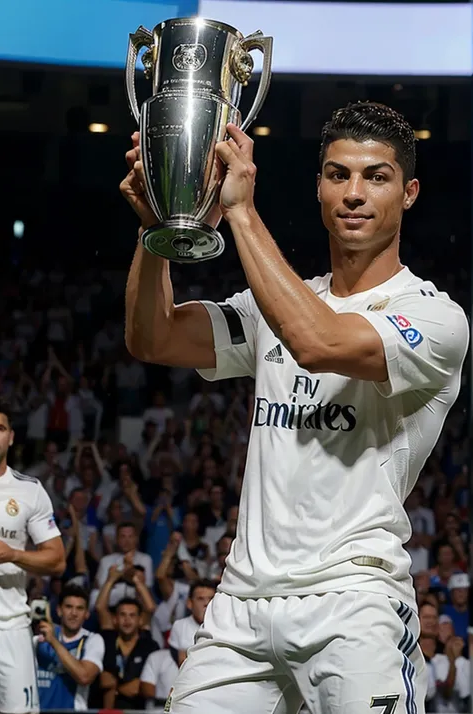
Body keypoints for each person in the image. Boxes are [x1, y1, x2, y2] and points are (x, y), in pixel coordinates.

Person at [121, 102, 469, 714]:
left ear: (409, 193)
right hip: (241, 604)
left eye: (376, 177)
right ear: (318, 186)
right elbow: (154, 336)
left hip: (355, 600)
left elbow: (319, 342)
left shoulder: (434, 318)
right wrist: (158, 232)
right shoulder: (275, 304)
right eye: (338, 175)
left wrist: (240, 211)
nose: (354, 193)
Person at [0, 398, 66, 713]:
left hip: (10, 625)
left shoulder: (29, 490)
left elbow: (56, 559)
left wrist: (13, 553)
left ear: (11, 436)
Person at [35, 584, 104, 710]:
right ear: (59, 610)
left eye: (80, 608)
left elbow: (84, 677)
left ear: (87, 614)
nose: (74, 613)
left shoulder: (93, 640)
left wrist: (53, 642)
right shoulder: (39, 638)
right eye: (68, 607)